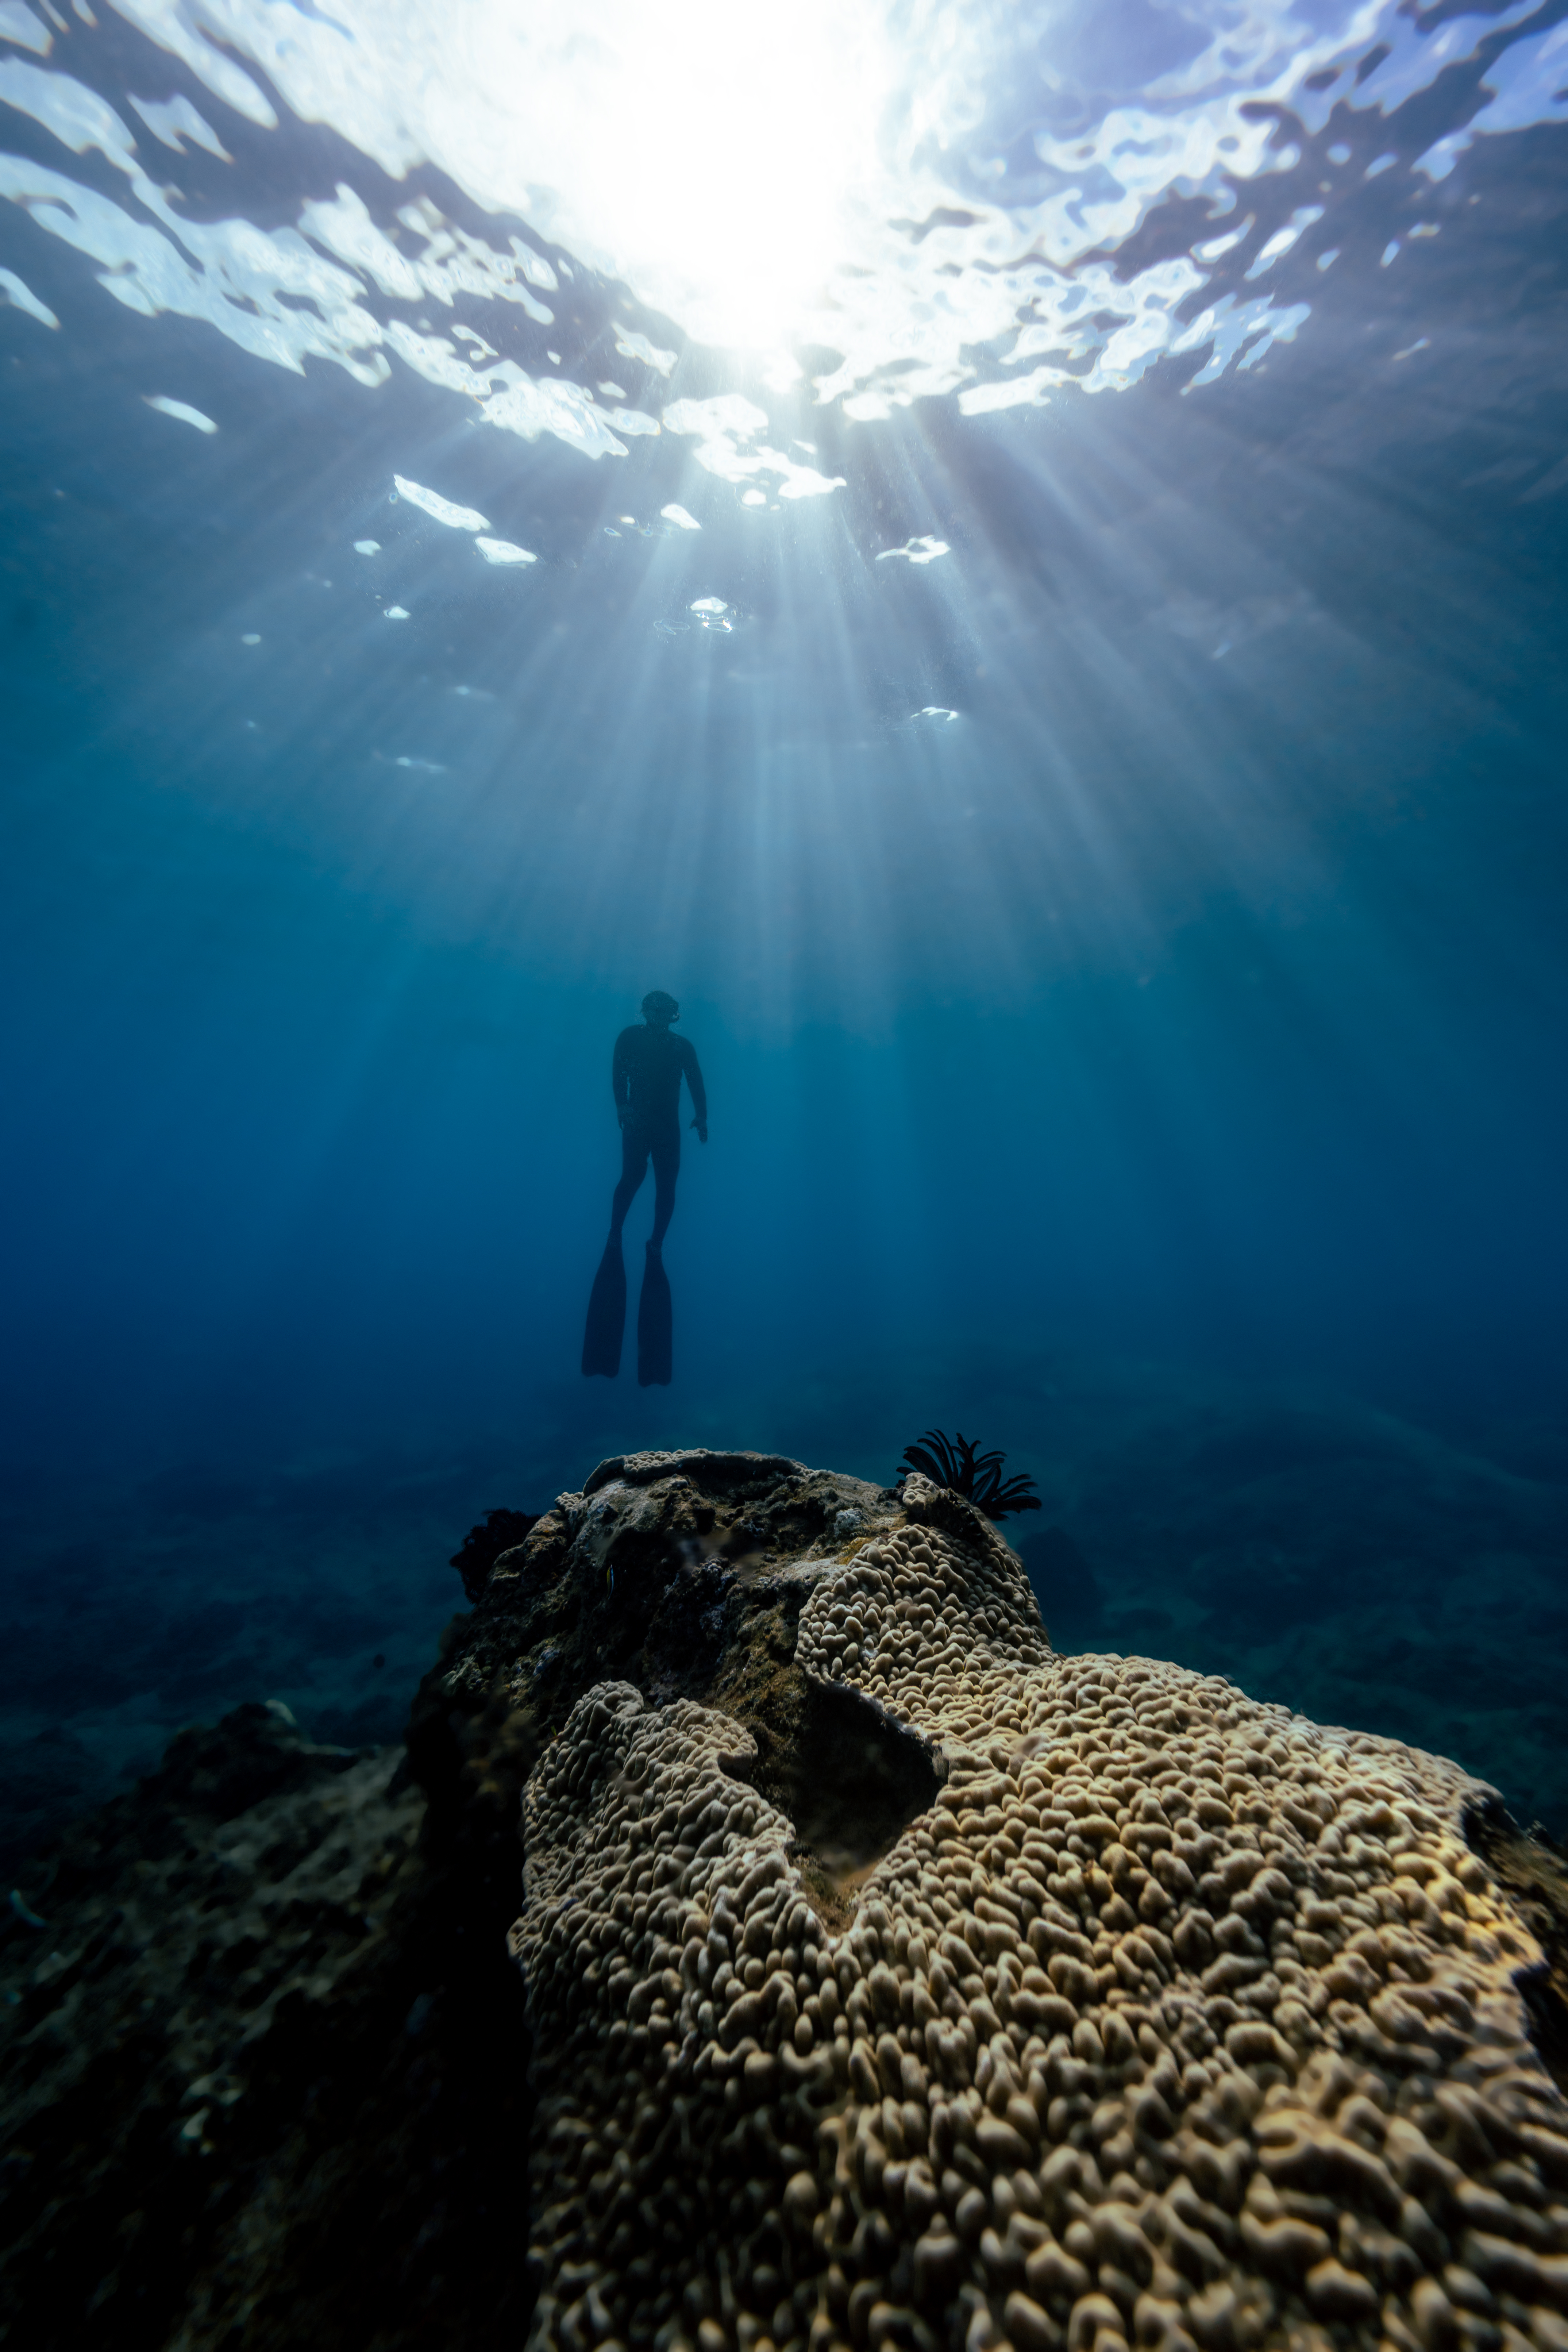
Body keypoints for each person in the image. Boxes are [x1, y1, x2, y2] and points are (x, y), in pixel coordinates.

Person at [582, 991, 707, 1385]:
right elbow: (618, 1071)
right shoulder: (629, 1038)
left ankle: (655, 1243)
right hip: (637, 1122)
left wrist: (702, 1116)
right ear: (645, 1011)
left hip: (668, 1126)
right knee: (632, 1179)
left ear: (673, 1015)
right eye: (653, 1009)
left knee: (667, 1188)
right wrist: (621, 1105)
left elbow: (696, 1081)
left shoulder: (682, 1046)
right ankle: (616, 1234)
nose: (659, 1015)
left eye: (666, 1011)